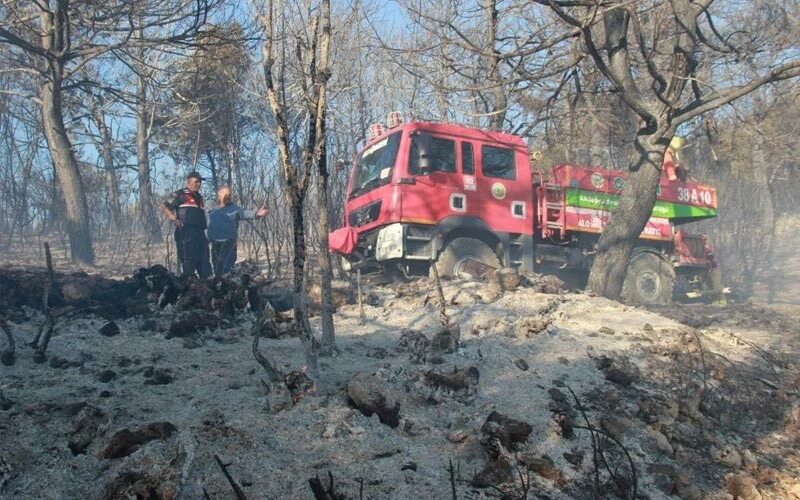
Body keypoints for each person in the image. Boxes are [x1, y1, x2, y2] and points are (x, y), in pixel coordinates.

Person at [207, 186, 268, 277]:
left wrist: (256, 214)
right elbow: (208, 226)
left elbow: (244, 213)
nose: (228, 196)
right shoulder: (213, 211)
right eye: (226, 194)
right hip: (215, 244)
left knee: (227, 269)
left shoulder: (234, 209)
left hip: (228, 243)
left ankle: (229, 287)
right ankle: (219, 286)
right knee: (217, 268)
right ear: (219, 196)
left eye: (230, 194)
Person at [160, 171, 212, 279]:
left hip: (200, 235)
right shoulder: (180, 194)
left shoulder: (200, 197)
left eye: (200, 182)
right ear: (188, 181)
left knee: (205, 264)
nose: (198, 184)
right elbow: (164, 206)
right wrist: (174, 219)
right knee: (189, 265)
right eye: (196, 182)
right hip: (186, 234)